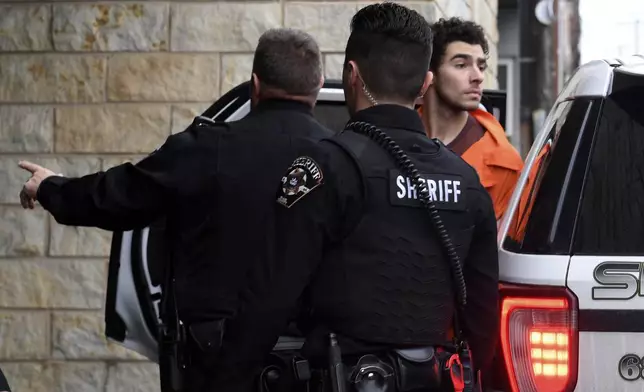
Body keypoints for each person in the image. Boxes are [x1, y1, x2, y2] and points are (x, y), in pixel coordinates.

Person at [17, 28, 333, 392]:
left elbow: (117, 197)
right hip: (313, 364)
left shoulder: (205, 149)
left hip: (213, 362)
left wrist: (51, 187)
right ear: (318, 85)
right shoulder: (345, 159)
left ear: (255, 84)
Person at [212, 3, 500, 392]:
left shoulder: (322, 167)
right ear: (425, 83)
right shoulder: (466, 180)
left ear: (351, 74)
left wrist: (227, 377)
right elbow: (483, 318)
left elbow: (269, 296)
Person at [418, 17, 523, 222]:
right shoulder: (392, 138)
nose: (477, 76)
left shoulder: (504, 165)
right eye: (461, 65)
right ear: (430, 73)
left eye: (481, 66)